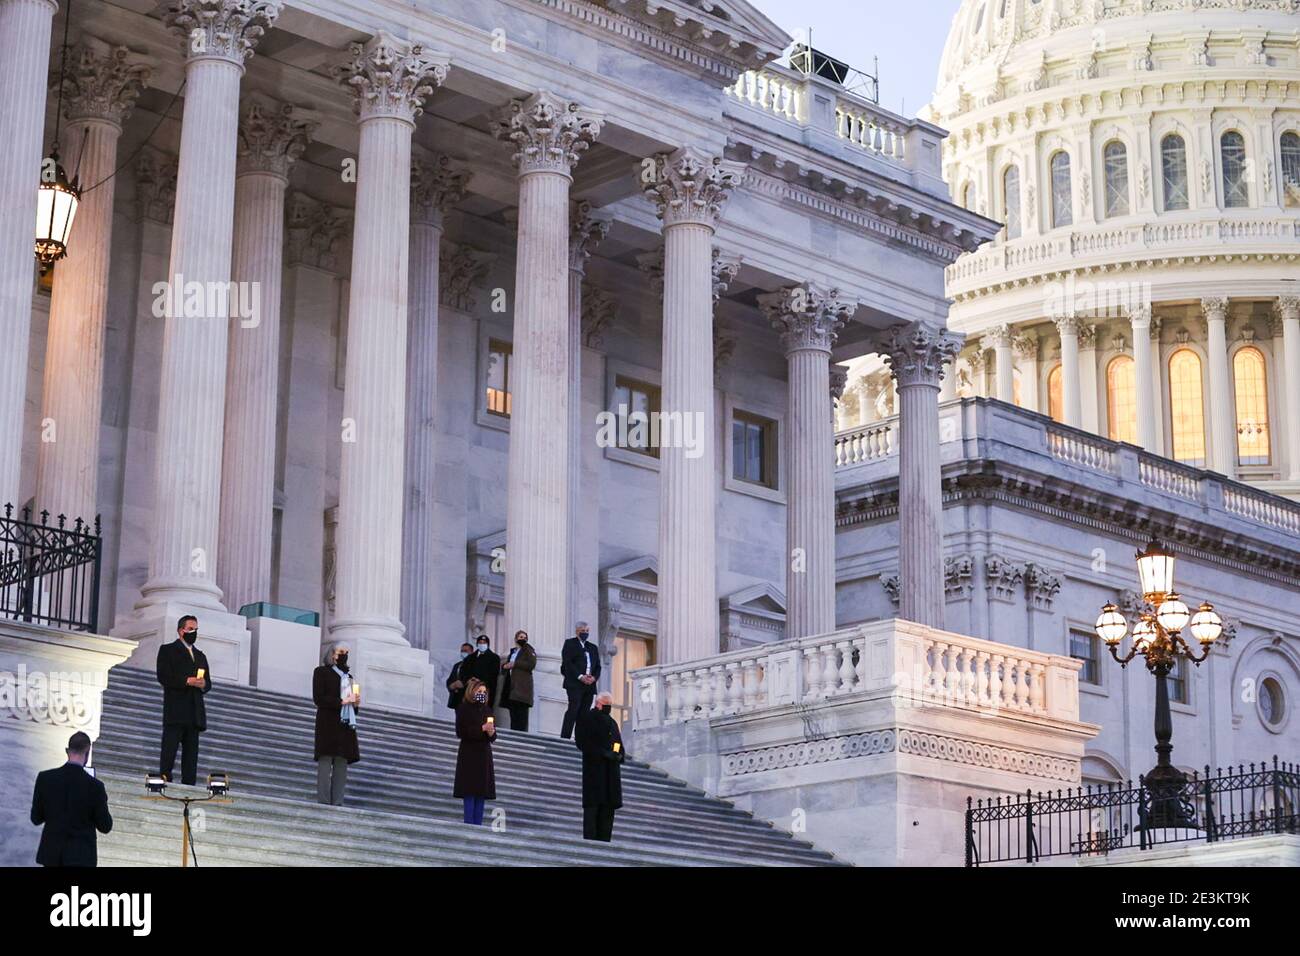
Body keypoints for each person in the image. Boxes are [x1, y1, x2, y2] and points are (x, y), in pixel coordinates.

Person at [30, 731, 113, 867]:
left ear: (67, 751)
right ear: (87, 750)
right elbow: (105, 826)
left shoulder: (45, 778)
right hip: (81, 858)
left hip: (52, 856)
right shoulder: (95, 787)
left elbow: (36, 819)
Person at [156, 614, 211, 785]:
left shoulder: (200, 655)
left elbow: (208, 683)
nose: (193, 632)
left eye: (195, 629)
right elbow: (164, 676)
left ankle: (189, 786)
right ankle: (164, 780)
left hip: (194, 713)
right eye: (190, 629)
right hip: (176, 710)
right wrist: (187, 681)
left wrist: (202, 684)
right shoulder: (167, 650)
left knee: (191, 755)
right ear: (181, 631)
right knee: (169, 751)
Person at [312, 644, 360, 805]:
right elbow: (319, 698)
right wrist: (343, 701)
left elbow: (354, 708)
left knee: (341, 764)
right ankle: (324, 801)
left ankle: (338, 801)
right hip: (327, 723)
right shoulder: (321, 672)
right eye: (341, 652)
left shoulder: (349, 677)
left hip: (345, 726)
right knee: (325, 763)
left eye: (346, 652)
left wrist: (355, 703)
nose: (344, 655)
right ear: (332, 655)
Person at [575, 692, 624, 842]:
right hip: (594, 771)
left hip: (610, 773)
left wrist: (616, 753)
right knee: (593, 809)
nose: (608, 708)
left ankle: (605, 840)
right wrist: (603, 753)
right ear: (598, 704)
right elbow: (583, 742)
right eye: (605, 705)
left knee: (607, 811)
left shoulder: (612, 722)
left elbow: (616, 741)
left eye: (610, 705)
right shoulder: (587, 719)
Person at [453, 677, 496, 825]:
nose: (482, 694)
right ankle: (469, 822)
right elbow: (461, 732)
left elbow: (493, 736)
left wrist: (491, 733)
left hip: (484, 754)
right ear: (472, 692)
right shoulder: (463, 709)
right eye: (479, 691)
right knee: (469, 790)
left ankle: (478, 824)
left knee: (481, 792)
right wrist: (481, 729)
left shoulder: (487, 710)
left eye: (484, 692)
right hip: (469, 753)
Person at [560, 621, 601, 739]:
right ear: (577, 631)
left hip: (589, 685)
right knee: (573, 708)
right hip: (575, 684)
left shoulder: (593, 647)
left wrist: (593, 678)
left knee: (584, 713)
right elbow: (568, 663)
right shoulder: (570, 644)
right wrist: (580, 677)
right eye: (583, 631)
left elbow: (598, 666)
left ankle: (580, 738)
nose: (585, 633)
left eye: (587, 631)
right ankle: (565, 736)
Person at [499, 629, 537, 731]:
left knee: (522, 716)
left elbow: (531, 664)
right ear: (516, 639)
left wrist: (515, 664)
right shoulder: (513, 652)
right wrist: (505, 666)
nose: (523, 639)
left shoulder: (528, 649)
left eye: (525, 638)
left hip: (522, 688)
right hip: (512, 687)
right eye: (521, 637)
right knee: (513, 715)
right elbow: (506, 665)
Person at [464, 633, 501, 708]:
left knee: (481, 710)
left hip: (484, 690)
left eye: (484, 643)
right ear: (477, 644)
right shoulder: (470, 658)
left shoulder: (494, 658)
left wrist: (479, 682)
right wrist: (469, 680)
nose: (482, 644)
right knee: (470, 710)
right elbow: (464, 671)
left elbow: (493, 675)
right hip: (470, 689)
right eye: (480, 643)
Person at [446, 641, 474, 710]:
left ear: (472, 652)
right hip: (457, 701)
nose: (463, 653)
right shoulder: (457, 665)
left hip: (470, 701)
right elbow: (450, 680)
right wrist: (452, 685)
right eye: (462, 651)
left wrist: (464, 684)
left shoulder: (476, 666)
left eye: (466, 651)